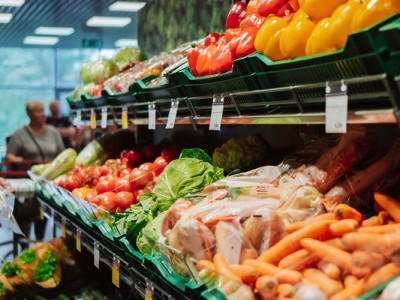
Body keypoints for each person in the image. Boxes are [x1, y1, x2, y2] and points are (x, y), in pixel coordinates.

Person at [6, 100, 64, 249]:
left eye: (43, 110)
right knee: (24, 221)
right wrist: (18, 159)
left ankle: (39, 246)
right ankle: (23, 249)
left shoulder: (53, 132)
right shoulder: (20, 134)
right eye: (38, 111)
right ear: (30, 114)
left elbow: (62, 156)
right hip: (26, 186)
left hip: (48, 185)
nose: (43, 114)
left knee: (42, 220)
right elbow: (9, 156)